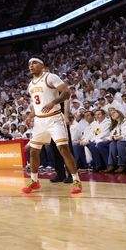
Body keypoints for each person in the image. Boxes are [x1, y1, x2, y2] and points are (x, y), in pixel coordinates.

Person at [24, 57, 83, 195]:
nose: (31, 66)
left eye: (34, 63)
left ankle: (76, 180)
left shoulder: (50, 77)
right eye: (29, 64)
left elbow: (67, 92)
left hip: (55, 118)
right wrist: (30, 116)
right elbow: (38, 105)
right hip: (40, 121)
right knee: (33, 151)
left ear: (42, 65)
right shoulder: (31, 85)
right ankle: (34, 181)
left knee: (63, 149)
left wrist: (54, 102)